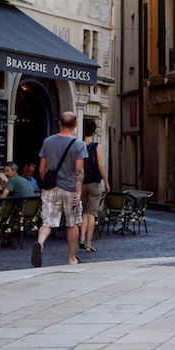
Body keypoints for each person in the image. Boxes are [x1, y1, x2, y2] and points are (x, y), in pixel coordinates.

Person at [33, 112, 87, 267]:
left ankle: (40, 243)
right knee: (72, 223)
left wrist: (48, 182)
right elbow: (78, 171)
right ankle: (71, 258)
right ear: (75, 125)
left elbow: (42, 169)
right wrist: (78, 192)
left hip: (51, 188)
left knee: (47, 222)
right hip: (70, 188)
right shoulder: (79, 145)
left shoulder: (48, 142)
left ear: (59, 123)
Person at [79, 117, 109, 253]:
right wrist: (106, 182)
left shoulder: (79, 145)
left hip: (82, 183)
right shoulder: (97, 146)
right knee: (92, 214)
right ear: (94, 131)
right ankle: (88, 243)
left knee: (85, 212)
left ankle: (81, 238)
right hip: (94, 183)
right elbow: (101, 166)